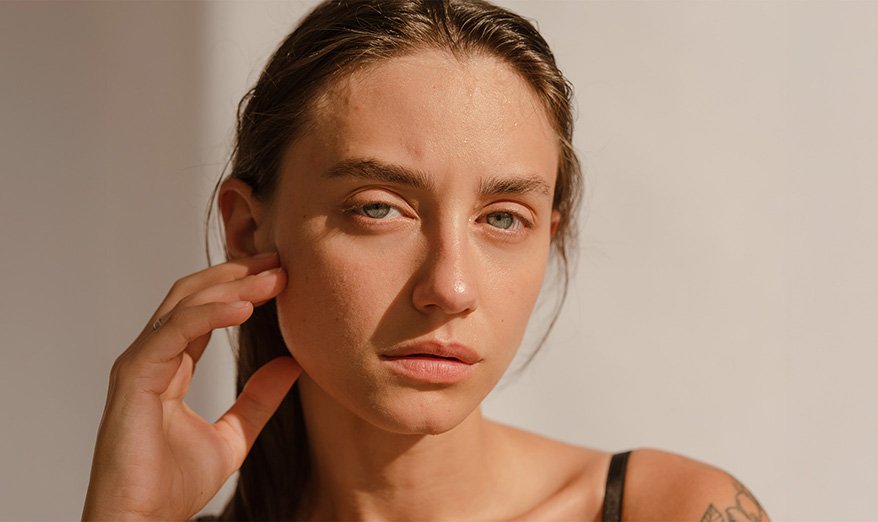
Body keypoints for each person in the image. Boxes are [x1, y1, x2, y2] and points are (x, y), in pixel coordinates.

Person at [82, 1, 770, 520]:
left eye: (503, 219)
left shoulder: (669, 510)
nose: (450, 286)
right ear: (250, 230)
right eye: (379, 208)